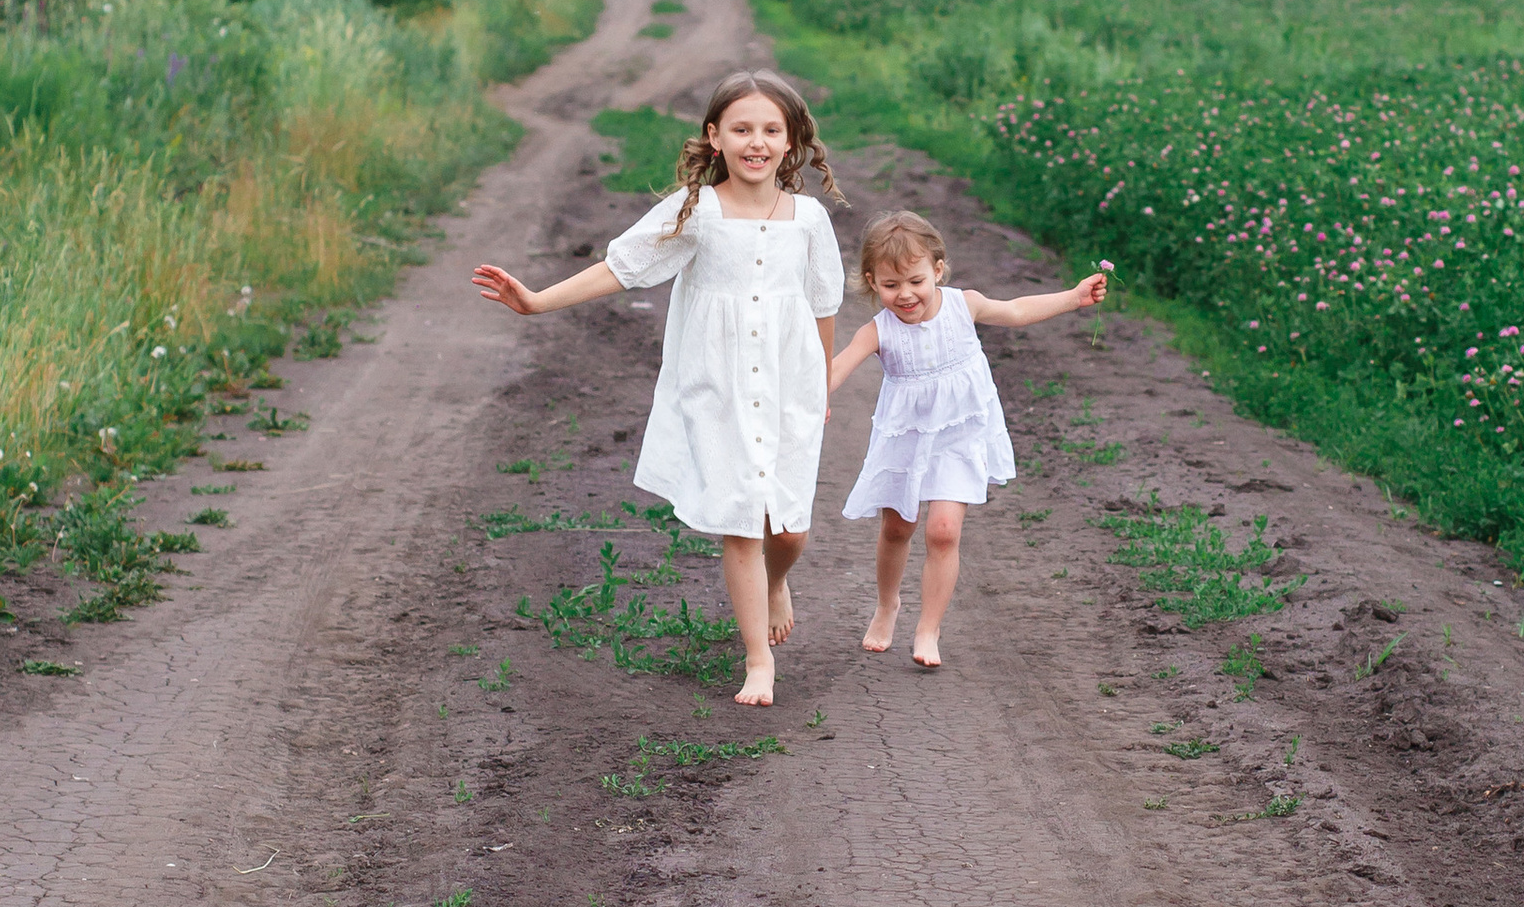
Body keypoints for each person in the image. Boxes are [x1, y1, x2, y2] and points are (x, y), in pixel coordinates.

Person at [473, 70, 844, 707]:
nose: (756, 142)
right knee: (741, 524)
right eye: (741, 129)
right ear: (715, 136)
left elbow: (823, 305)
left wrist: (825, 387)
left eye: (770, 130)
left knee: (789, 533)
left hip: (789, 389)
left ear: (791, 143)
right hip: (717, 389)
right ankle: (758, 660)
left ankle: (776, 581)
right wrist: (536, 303)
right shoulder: (693, 210)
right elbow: (624, 267)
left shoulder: (808, 219)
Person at [829, 208, 1107, 668]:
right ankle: (887, 604)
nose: (905, 295)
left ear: (937, 270)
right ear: (871, 282)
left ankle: (928, 628)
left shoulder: (963, 304)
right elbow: (838, 368)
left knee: (942, 532)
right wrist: (808, 399)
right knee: (898, 526)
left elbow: (1016, 311)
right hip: (907, 439)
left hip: (960, 435)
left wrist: (1073, 297)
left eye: (915, 280)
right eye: (890, 285)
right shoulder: (877, 330)